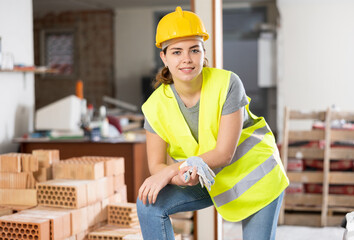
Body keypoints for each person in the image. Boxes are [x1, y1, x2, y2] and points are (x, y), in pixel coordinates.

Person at [137, 6, 289, 240]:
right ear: (164, 57)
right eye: (176, 52)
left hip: (256, 176)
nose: (186, 59)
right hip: (206, 177)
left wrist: (170, 171)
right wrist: (177, 177)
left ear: (203, 52)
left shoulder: (227, 83)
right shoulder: (155, 106)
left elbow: (223, 154)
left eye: (194, 50)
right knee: (149, 203)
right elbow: (156, 165)